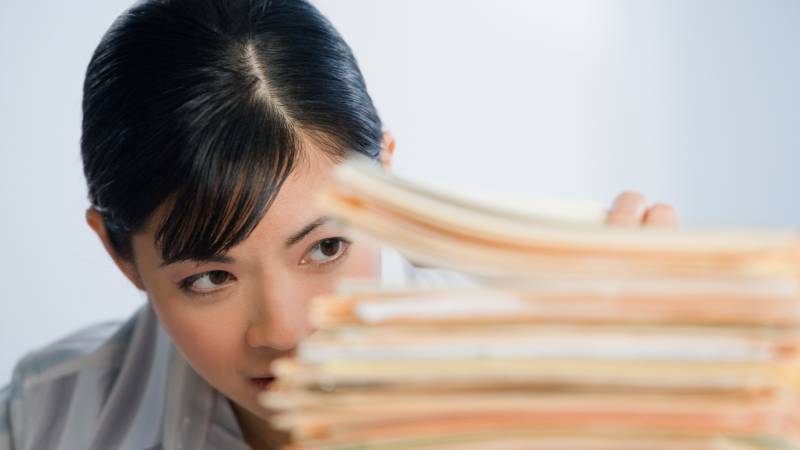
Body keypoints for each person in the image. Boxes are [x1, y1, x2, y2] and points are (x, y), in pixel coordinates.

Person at [0, 0, 677, 449]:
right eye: (210, 277)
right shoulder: (50, 417)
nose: (286, 331)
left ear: (384, 177)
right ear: (120, 254)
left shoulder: (558, 365)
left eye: (325, 247)